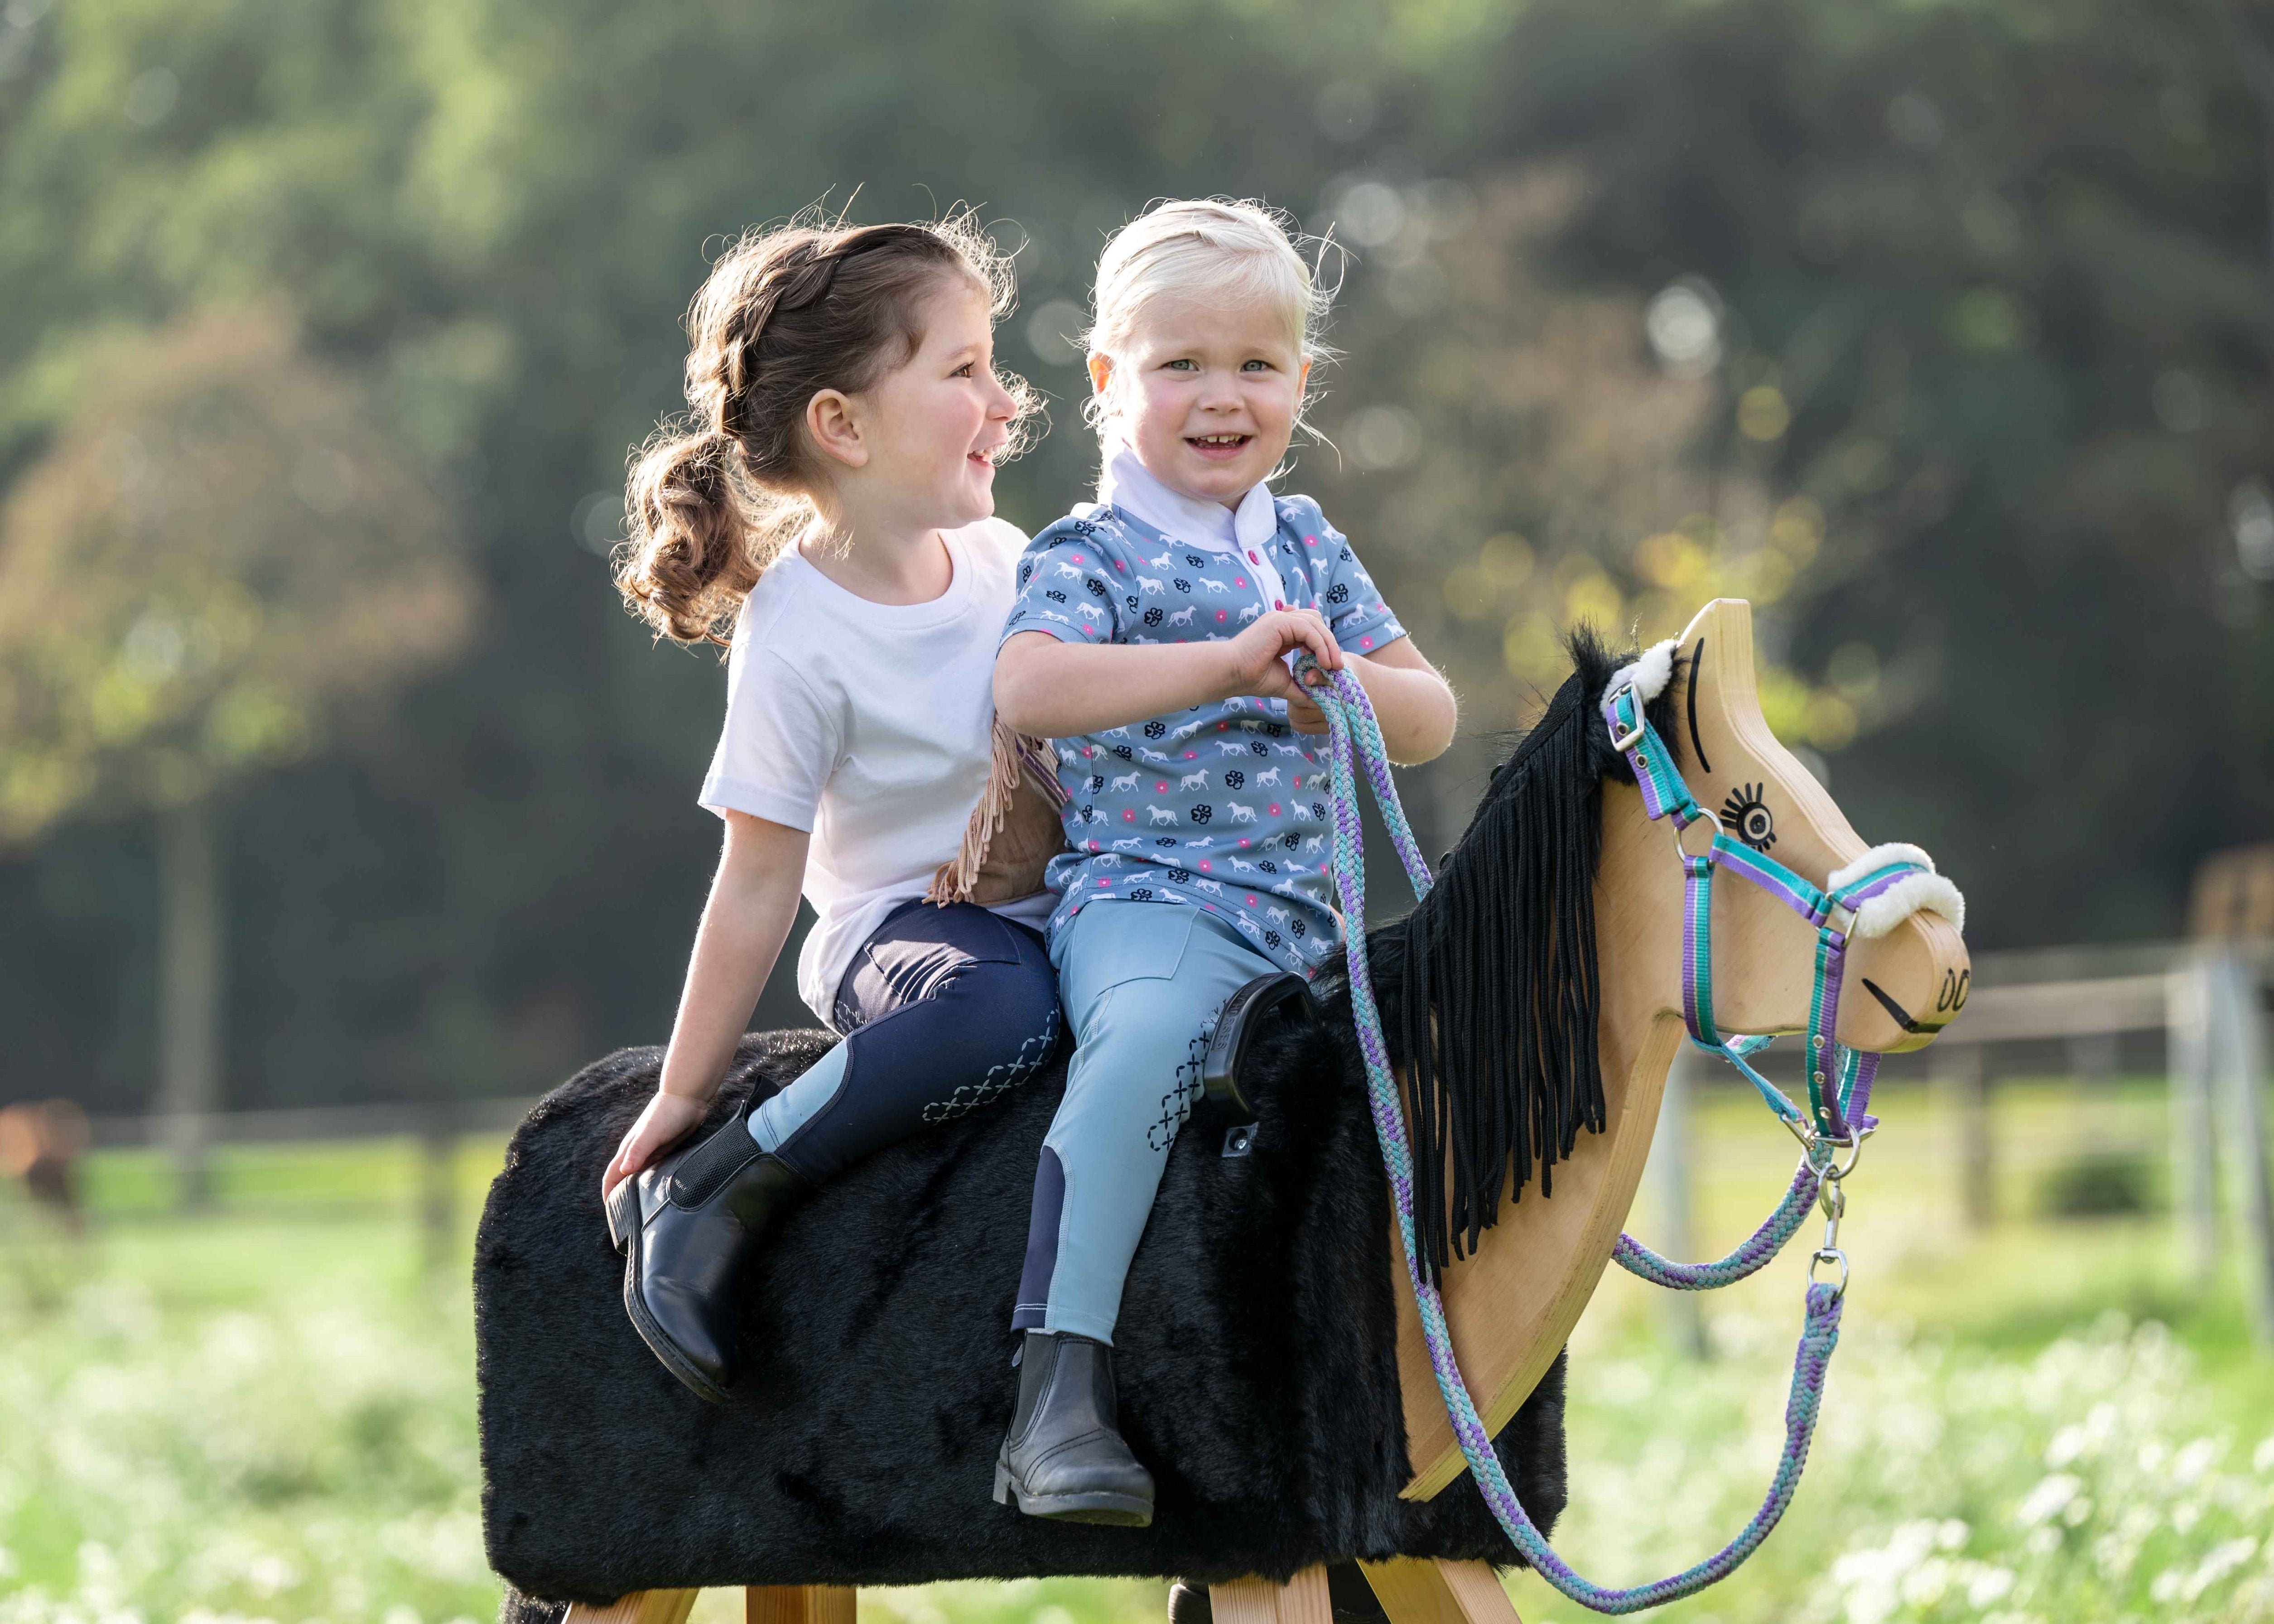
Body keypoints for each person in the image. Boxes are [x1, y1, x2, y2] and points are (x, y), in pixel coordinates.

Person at [987, 199, 1458, 1523]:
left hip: (1310, 933)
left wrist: (1342, 685)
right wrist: (1226, 661)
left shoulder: (1308, 543)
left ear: (1301, 384)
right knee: (1137, 1052)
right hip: (1152, 909)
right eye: (1180, 363)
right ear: (1105, 380)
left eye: (1257, 365)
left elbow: (1429, 717)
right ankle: (1054, 1391)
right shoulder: (1091, 552)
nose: (1221, 396)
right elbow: (1028, 687)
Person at [599, 214, 1064, 1406]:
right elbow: (755, 881)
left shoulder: (1013, 561)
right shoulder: (796, 632)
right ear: (842, 426)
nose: (1006, 402)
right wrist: (683, 1096)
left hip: (1053, 904)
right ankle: (718, 1187)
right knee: (1004, 1007)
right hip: (905, 937)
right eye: (963, 371)